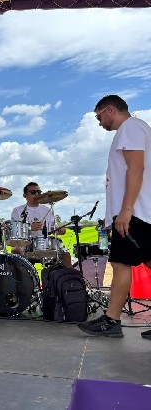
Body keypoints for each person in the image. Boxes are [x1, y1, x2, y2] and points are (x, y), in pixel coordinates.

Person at [77, 95, 151, 339]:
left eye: (98, 117)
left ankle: (111, 320)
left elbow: (136, 168)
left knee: (120, 264)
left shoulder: (130, 127)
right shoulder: (137, 128)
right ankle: (111, 320)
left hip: (134, 212)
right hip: (139, 211)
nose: (99, 122)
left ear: (110, 110)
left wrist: (126, 210)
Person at [10, 182, 72, 268]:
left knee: (66, 255)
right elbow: (14, 233)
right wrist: (29, 228)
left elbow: (53, 228)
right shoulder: (17, 211)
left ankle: (68, 276)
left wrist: (60, 230)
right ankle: (23, 276)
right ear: (25, 195)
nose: (37, 194)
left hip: (46, 246)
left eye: (39, 192)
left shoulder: (47, 210)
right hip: (25, 247)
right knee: (15, 250)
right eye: (33, 192)